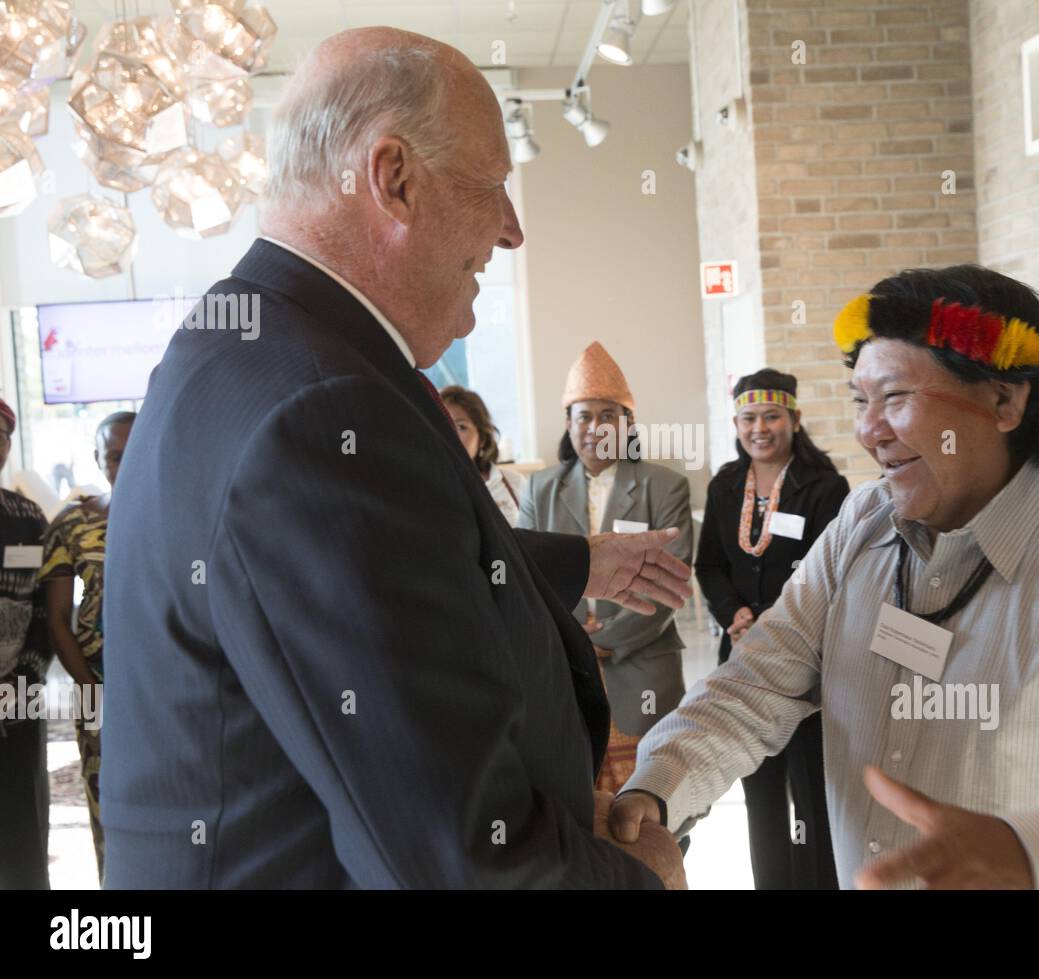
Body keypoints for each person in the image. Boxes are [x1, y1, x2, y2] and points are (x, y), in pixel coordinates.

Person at [102, 29, 690, 889]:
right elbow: (454, 856)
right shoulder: (323, 409)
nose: (512, 229)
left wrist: (582, 565)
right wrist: (638, 877)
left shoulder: (259, 344)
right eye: (494, 186)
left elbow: (396, 569)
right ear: (395, 179)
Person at [611, 264, 1039, 889]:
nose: (869, 431)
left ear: (1005, 400)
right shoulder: (861, 527)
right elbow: (756, 683)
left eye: (896, 397)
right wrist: (655, 788)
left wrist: (1030, 851)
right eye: (860, 400)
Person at [519, 342, 693, 795]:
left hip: (643, 668)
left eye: (608, 415)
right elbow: (526, 579)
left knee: (657, 804)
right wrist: (577, 642)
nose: (595, 427)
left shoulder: (665, 485)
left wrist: (604, 640)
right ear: (568, 424)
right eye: (584, 416)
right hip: (565, 672)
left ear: (627, 423)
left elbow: (668, 583)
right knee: (581, 803)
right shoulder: (539, 489)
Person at [695, 369, 847, 889]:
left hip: (804, 659)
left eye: (771, 416)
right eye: (749, 418)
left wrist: (774, 621)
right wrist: (734, 613)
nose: (760, 427)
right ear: (736, 424)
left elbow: (827, 572)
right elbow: (709, 565)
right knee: (758, 788)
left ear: (794, 420)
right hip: (741, 657)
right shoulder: (724, 485)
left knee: (809, 787)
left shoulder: (826, 488)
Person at [39, 410, 134, 884]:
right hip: (97, 689)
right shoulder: (73, 524)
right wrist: (93, 691)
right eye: (112, 454)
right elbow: (57, 621)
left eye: (132, 448)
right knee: (108, 807)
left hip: (170, 690)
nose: (124, 461)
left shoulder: (181, 509)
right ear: (97, 460)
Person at [0, 397, 52, 889]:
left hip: (18, 695)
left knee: (22, 828)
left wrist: (27, 675)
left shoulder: (27, 517)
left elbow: (45, 610)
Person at [441, 384, 527, 526]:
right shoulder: (430, 485)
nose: (452, 435)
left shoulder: (515, 482)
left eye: (461, 427)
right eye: (444, 425)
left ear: (481, 438)